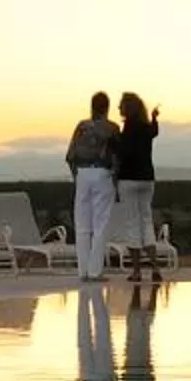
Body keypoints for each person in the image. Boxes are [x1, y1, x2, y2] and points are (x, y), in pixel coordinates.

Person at [63, 90, 118, 281]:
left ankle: (83, 270)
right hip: (102, 173)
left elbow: (70, 155)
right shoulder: (112, 128)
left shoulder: (82, 127)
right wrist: (115, 178)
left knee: (82, 223)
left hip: (82, 174)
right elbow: (117, 156)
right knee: (100, 223)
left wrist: (76, 176)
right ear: (107, 108)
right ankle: (95, 270)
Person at [112, 92, 164, 281]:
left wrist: (113, 143)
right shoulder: (146, 127)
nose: (119, 109)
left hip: (129, 179)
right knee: (146, 221)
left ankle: (136, 271)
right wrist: (154, 117)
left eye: (121, 106)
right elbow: (154, 132)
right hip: (147, 179)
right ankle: (156, 268)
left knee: (132, 224)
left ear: (128, 109)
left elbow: (124, 152)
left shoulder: (129, 127)